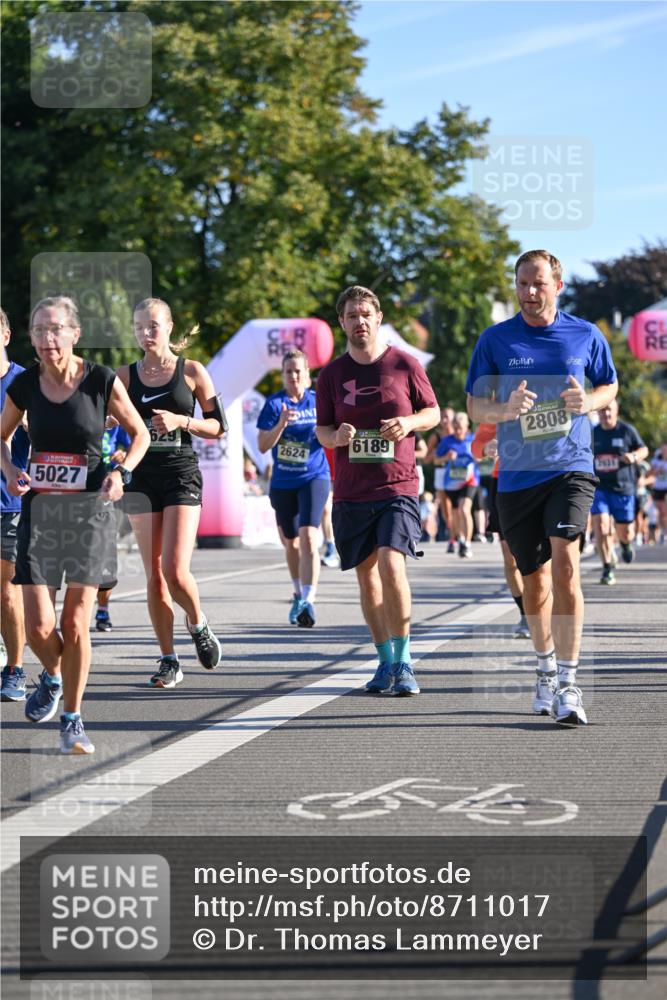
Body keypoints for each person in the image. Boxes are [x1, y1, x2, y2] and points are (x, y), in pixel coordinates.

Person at [466, 250, 617, 726]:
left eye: (538, 284)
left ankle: (570, 683)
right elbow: (474, 406)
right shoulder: (495, 339)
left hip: (571, 466)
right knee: (534, 580)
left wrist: (587, 401)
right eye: (522, 284)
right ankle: (545, 669)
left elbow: (610, 386)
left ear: (558, 285)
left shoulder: (585, 334)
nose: (529, 292)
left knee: (566, 566)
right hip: (517, 475)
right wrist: (505, 410)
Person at [0, 296, 149, 753]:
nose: (48, 338)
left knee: (76, 622)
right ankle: (51, 674)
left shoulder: (100, 379)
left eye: (56, 329)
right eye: (39, 330)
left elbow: (140, 434)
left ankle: (72, 719)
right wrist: (11, 470)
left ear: (74, 333)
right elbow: (1, 437)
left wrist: (121, 474)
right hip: (41, 514)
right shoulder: (25, 385)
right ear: (30, 338)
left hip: (90, 513)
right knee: (39, 628)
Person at [316, 285, 439, 696]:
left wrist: (409, 423)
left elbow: (433, 412)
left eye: (366, 314)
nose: (360, 321)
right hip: (352, 490)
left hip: (397, 485)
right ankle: (384, 661)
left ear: (379, 318)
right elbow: (322, 430)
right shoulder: (331, 375)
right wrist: (337, 436)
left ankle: (404, 661)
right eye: (352, 315)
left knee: (391, 565)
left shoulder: (404, 363)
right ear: (342, 322)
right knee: (367, 579)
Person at [118, 298, 225, 689]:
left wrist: (182, 420)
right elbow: (107, 418)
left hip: (181, 474)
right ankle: (168, 659)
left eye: (153, 325)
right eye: (139, 327)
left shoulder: (192, 371)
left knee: (175, 571)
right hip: (142, 478)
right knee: (154, 576)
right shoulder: (124, 376)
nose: (146, 333)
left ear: (168, 327)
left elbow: (218, 427)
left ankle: (198, 623)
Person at [257, 349, 331, 627]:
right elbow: (262, 445)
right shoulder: (274, 404)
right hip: (284, 481)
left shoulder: (318, 402)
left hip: (315, 476)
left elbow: (330, 433)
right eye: (289, 371)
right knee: (291, 543)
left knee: (309, 537)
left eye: (298, 371)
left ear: (307, 374)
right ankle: (298, 593)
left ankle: (309, 601)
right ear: (283, 375)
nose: (294, 376)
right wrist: (280, 424)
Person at [471, 422, 530, 638]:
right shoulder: (500, 407)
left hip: (541, 477)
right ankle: (525, 613)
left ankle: (542, 605)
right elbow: (476, 445)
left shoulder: (546, 400)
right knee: (510, 558)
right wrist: (486, 448)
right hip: (504, 481)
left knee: (541, 555)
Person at [0, 308, 30, 702]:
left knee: (7, 593)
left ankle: (16, 669)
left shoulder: (23, 383)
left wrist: (30, 426)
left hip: (8, 502)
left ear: (6, 336)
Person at [591, 399, 648, 585]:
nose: (606, 414)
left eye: (609, 410)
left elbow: (644, 449)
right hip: (600, 488)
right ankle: (607, 568)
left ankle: (625, 544)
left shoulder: (626, 431)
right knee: (601, 526)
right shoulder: (593, 433)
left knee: (626, 532)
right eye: (602, 411)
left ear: (616, 411)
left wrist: (634, 456)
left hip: (623, 489)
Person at [93, 415, 132, 630]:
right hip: (77, 487)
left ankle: (103, 608)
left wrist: (123, 455)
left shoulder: (117, 413)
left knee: (104, 555)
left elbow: (136, 442)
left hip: (106, 488)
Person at [434, 411, 478, 558]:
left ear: (467, 427)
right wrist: (447, 457)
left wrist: (478, 456)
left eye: (461, 428)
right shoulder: (447, 441)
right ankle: (460, 539)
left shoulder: (473, 439)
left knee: (464, 509)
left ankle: (467, 544)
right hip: (452, 482)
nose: (458, 431)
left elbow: (482, 455)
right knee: (455, 513)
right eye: (456, 428)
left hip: (470, 480)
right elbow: (436, 460)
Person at [425, 407, 455, 548]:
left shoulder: (460, 434)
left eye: (447, 417)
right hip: (442, 472)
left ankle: (460, 537)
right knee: (446, 508)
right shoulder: (436, 437)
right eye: (442, 417)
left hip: (457, 473)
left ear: (453, 418)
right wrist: (437, 453)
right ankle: (451, 535)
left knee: (458, 506)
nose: (444, 420)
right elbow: (426, 459)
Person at [650, 442, 667, 542]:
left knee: (665, 510)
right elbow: (650, 473)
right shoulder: (656, 460)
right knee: (661, 512)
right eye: (663, 450)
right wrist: (657, 471)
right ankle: (663, 532)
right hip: (658, 488)